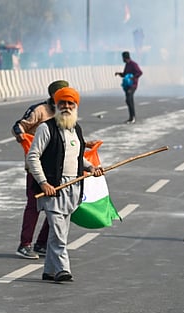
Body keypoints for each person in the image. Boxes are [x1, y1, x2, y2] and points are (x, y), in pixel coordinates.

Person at [26, 87, 105, 283]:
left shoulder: (76, 129)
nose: (67, 107)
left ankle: (49, 271)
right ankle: (63, 269)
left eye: (71, 104)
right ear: (56, 105)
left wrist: (91, 168)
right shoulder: (46, 128)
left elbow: (77, 158)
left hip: (73, 188)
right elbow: (33, 157)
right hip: (53, 189)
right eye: (63, 103)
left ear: (76, 106)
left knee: (57, 232)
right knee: (60, 233)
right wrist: (43, 183)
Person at [11, 79, 70, 259]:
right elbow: (19, 126)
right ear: (54, 96)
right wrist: (21, 135)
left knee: (57, 207)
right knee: (34, 206)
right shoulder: (40, 110)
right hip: (37, 168)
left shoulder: (66, 112)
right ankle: (25, 245)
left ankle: (42, 243)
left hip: (57, 169)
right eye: (62, 97)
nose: (66, 102)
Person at [115, 51, 143, 124]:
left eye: (123, 58)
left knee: (129, 100)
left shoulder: (133, 64)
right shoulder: (127, 65)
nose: (122, 60)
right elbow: (125, 74)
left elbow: (140, 72)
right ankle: (131, 117)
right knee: (128, 101)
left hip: (133, 85)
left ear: (125, 58)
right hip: (127, 85)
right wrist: (119, 74)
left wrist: (133, 78)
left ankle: (132, 117)